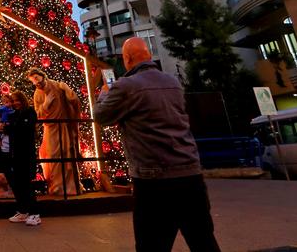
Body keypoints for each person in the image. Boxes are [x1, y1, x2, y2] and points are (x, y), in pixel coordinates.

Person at [94, 37, 220, 252]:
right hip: (190, 174)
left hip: (153, 179)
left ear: (127, 59)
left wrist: (104, 92)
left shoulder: (126, 86)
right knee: (203, 240)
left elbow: (101, 115)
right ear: (149, 56)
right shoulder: (173, 82)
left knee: (151, 244)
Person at [27, 68, 82, 195]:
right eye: (32, 81)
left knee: (67, 153)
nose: (35, 82)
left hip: (64, 127)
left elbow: (74, 101)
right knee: (53, 157)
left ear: (42, 75)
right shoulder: (37, 94)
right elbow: (37, 115)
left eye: (36, 78)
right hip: (51, 129)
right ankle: (57, 187)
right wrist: (46, 104)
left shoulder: (58, 86)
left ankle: (71, 187)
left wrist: (67, 90)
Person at [3, 90, 41, 226]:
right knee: (17, 183)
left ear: (23, 100)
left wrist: (11, 127)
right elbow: (9, 129)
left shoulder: (30, 112)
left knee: (26, 184)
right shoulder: (14, 115)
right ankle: (23, 211)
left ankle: (35, 214)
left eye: (17, 100)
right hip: (15, 154)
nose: (15, 103)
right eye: (13, 101)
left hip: (26, 153)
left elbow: (25, 129)